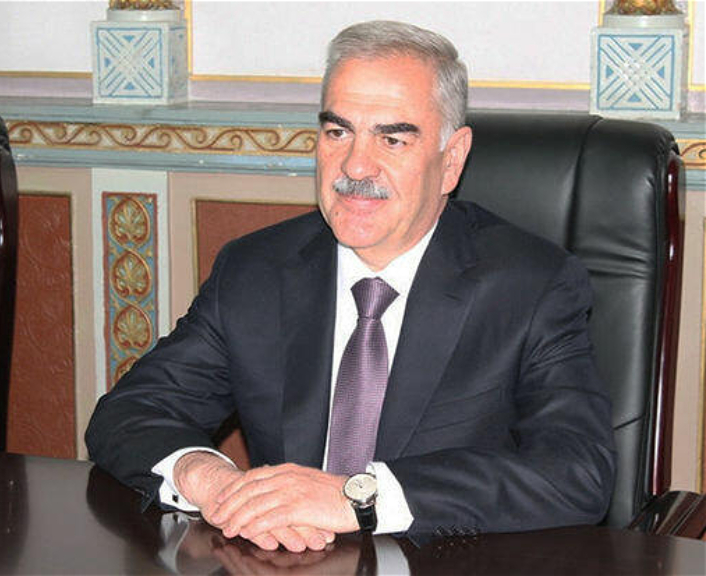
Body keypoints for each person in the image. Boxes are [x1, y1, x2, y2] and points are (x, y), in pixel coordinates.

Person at [86, 20, 616, 553]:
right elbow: (130, 413)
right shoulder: (256, 271)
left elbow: (577, 473)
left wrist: (358, 498)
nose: (356, 165)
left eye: (392, 138)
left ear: (451, 159)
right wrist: (213, 481)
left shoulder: (530, 286)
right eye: (338, 132)